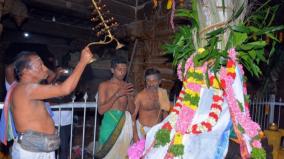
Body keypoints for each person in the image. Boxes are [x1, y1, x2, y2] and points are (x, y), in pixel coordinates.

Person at [2, 47, 93, 159]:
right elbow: (65, 89)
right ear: (25, 71)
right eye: (40, 65)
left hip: (42, 147)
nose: (45, 68)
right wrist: (82, 62)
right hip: (30, 152)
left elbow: (52, 77)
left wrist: (42, 66)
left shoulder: (30, 88)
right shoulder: (26, 89)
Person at [96, 56, 135, 159]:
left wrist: (130, 97)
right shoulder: (104, 85)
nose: (122, 72)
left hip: (124, 125)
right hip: (109, 125)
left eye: (125, 70)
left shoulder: (127, 86)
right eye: (119, 69)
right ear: (112, 70)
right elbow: (101, 110)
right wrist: (118, 94)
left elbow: (132, 110)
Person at [132, 68, 171, 141]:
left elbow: (165, 113)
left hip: (158, 131)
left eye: (154, 81)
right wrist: (135, 136)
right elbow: (133, 117)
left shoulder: (163, 93)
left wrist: (166, 129)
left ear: (159, 81)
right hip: (142, 131)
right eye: (148, 81)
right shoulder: (140, 96)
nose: (151, 83)